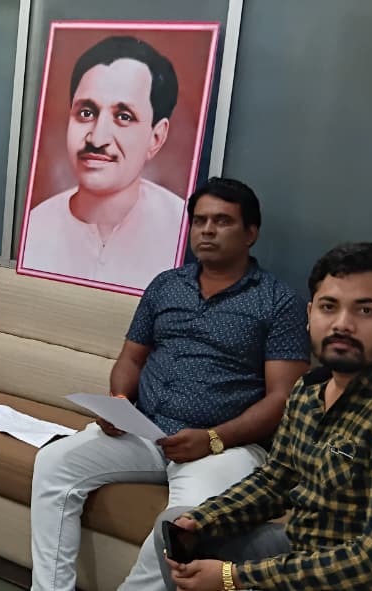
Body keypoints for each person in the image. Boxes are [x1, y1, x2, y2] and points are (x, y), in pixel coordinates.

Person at [30, 178, 311, 591]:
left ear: (251, 233)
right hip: (147, 431)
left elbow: (284, 397)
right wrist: (119, 402)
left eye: (222, 221)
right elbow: (131, 358)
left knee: (183, 524)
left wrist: (213, 438)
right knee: (55, 462)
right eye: (200, 221)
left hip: (224, 448)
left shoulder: (278, 302)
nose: (207, 230)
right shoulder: (166, 285)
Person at [161, 243, 372, 591]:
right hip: (310, 552)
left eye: (365, 310)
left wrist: (233, 578)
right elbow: (276, 480)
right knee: (177, 533)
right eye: (328, 307)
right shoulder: (310, 391)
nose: (342, 324)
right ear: (310, 314)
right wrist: (204, 519)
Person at [21, 35, 187, 291]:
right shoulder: (36, 225)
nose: (97, 139)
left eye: (124, 117)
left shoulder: (183, 228)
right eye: (86, 113)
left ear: (156, 137)